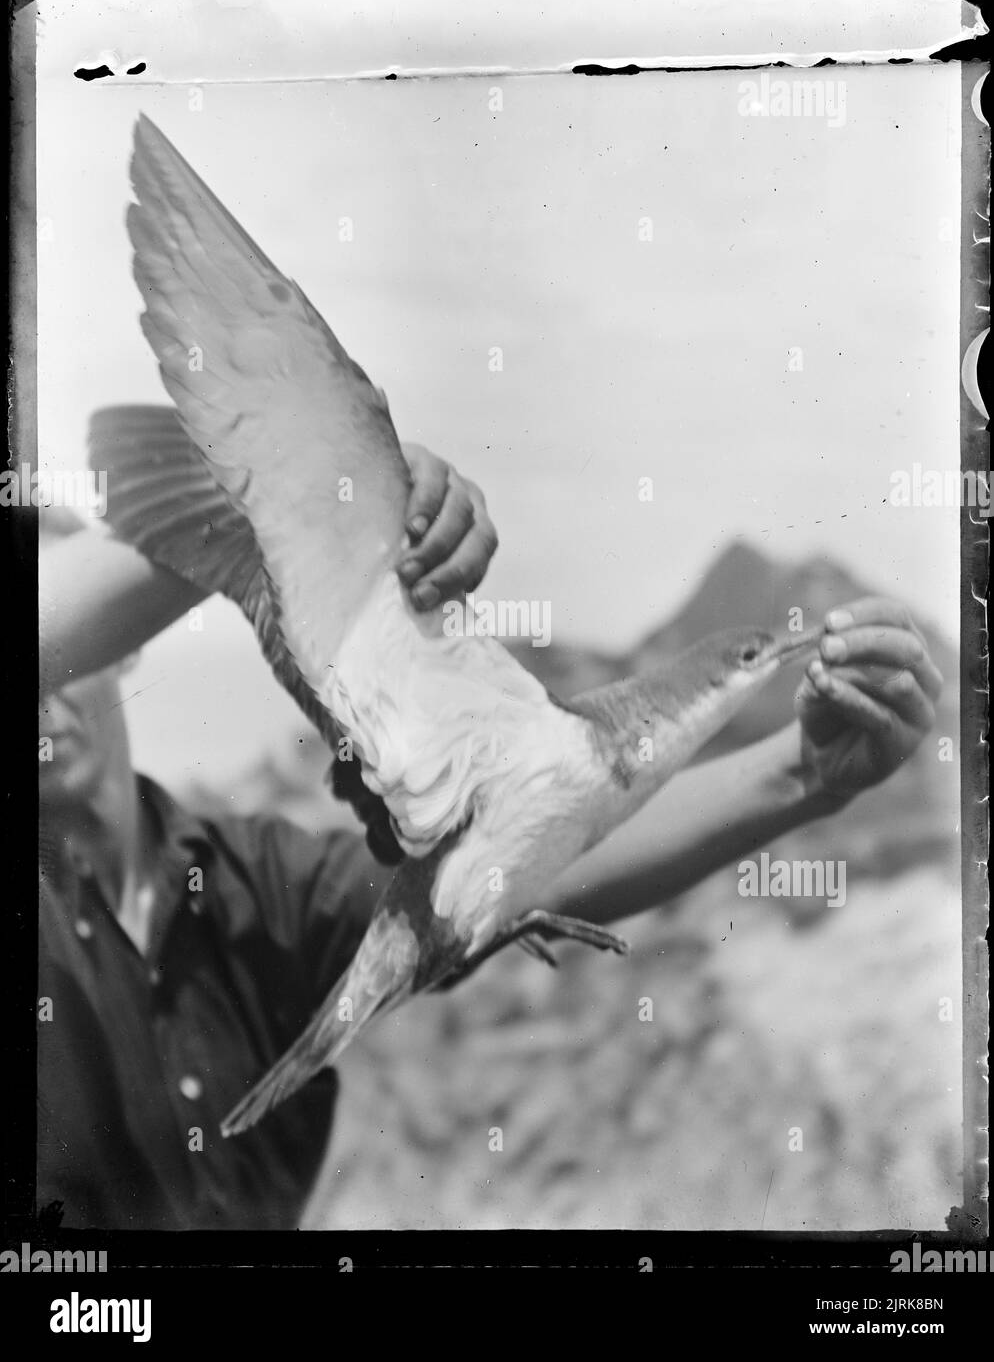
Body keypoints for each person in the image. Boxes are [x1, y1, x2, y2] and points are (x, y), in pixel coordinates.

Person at [37, 434, 943, 1230]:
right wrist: (296, 488)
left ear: (126, 647)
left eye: (67, 652)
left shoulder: (253, 883)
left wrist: (804, 772)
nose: (41, 693)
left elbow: (541, 850)